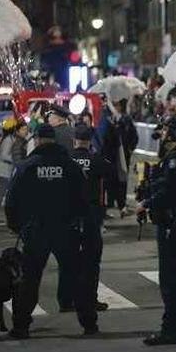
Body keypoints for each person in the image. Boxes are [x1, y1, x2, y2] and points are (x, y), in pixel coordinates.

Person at [5, 124, 93, 338]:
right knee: (76, 276)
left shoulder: (27, 166)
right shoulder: (70, 166)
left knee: (29, 279)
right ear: (54, 140)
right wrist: (80, 225)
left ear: (37, 140)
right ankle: (89, 323)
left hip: (35, 231)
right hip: (65, 229)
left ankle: (21, 326)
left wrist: (17, 226)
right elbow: (84, 199)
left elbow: (12, 201)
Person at [135, 116, 176, 345]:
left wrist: (146, 203)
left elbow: (169, 192)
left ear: (174, 134)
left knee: (171, 278)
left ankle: (172, 329)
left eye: (166, 130)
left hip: (173, 224)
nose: (162, 133)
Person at [70, 124, 111, 313]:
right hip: (92, 214)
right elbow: (110, 174)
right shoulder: (97, 160)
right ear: (89, 141)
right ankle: (90, 299)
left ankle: (67, 299)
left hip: (69, 214)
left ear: (74, 140)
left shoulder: (66, 160)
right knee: (92, 260)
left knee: (69, 259)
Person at [0, 118, 18, 223]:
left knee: (1, 194)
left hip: (4, 170)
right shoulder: (8, 140)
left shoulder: (6, 138)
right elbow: (4, 155)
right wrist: (14, 159)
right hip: (4, 171)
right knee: (1, 194)